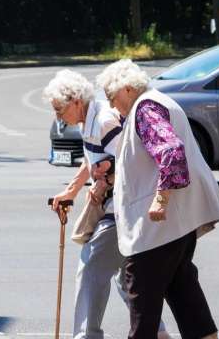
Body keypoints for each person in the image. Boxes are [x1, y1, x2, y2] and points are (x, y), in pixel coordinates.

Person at [95, 60, 219, 339]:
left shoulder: (144, 108)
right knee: (185, 294)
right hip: (177, 226)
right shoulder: (159, 102)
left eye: (112, 97)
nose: (111, 105)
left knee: (143, 302)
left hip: (156, 230)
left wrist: (160, 198)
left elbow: (171, 151)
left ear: (128, 89)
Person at [43, 69, 170, 339]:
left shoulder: (103, 120)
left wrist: (105, 182)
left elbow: (128, 160)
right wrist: (72, 190)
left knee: (91, 265)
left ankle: (87, 336)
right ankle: (157, 332)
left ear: (76, 101)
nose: (58, 117)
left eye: (59, 109)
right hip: (121, 208)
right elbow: (92, 159)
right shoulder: (88, 121)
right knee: (127, 278)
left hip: (122, 209)